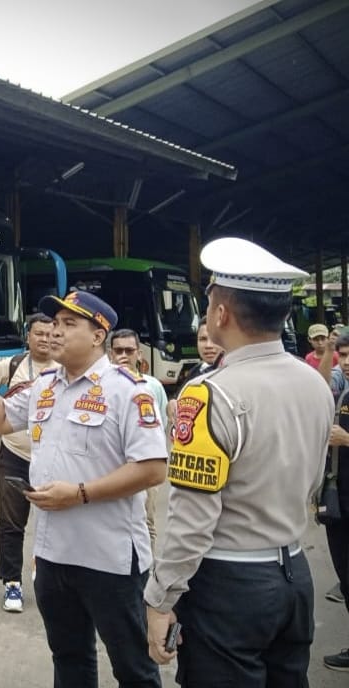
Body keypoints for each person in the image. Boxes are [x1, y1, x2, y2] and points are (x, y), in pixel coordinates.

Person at [0, 290, 167, 688]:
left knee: (133, 667)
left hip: (111, 560)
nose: (55, 332)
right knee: (70, 660)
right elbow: (0, 420)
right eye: (54, 322)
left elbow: (153, 468)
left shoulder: (127, 390)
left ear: (98, 335)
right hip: (53, 557)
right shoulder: (45, 385)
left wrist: (80, 493)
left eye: (69, 324)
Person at [144, 237, 333, 684]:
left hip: (230, 586)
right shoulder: (314, 383)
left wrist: (160, 598)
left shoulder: (210, 394)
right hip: (294, 575)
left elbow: (192, 519)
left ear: (221, 313)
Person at [0, 312, 56, 612]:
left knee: (52, 521)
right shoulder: (13, 365)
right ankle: (12, 582)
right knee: (12, 521)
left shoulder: (63, 369)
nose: (46, 339)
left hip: (51, 457)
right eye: (39, 333)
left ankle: (46, 573)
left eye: (51, 334)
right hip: (14, 455)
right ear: (28, 336)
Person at [108, 328, 168, 555]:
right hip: (111, 467)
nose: (124, 355)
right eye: (118, 350)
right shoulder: (100, 386)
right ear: (110, 354)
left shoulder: (152, 387)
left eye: (129, 350)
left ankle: (147, 576)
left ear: (139, 354)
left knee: (146, 522)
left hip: (145, 467)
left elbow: (160, 427)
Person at [318, 332, 349, 668]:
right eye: (342, 356)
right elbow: (319, 385)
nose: (346, 362)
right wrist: (326, 351)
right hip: (340, 502)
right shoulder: (344, 392)